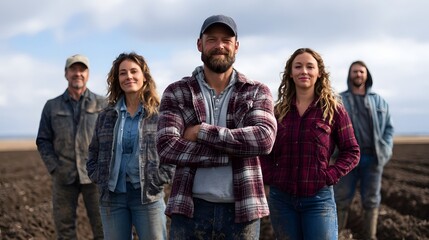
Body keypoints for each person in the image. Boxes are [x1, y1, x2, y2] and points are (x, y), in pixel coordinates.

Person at [156, 15, 277, 239]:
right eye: (211, 39)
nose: (219, 46)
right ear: (199, 44)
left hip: (243, 210)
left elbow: (264, 139)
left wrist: (202, 131)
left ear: (236, 47)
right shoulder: (177, 91)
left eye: (226, 40)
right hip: (190, 209)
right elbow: (167, 146)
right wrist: (230, 153)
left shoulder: (256, 91)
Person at [260, 48, 360, 240]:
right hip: (282, 200)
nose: (303, 71)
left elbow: (352, 151)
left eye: (309, 66)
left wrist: (330, 175)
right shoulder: (276, 111)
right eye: (298, 66)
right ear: (290, 73)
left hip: (318, 200)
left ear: (319, 72)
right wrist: (271, 176)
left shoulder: (334, 111)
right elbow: (263, 150)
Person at [86, 52, 175, 240]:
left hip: (147, 196)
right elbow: (93, 151)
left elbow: (173, 151)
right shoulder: (106, 115)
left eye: (134, 71)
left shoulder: (160, 114)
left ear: (144, 76)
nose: (129, 77)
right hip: (112, 197)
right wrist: (97, 175)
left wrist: (160, 178)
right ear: (117, 79)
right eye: (123, 73)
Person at [36, 54, 105, 239]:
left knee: (103, 229)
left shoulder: (103, 104)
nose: (78, 73)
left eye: (82, 69)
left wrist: (103, 167)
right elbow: (43, 140)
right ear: (66, 74)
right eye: (73, 69)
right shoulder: (51, 106)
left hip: (94, 177)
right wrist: (54, 167)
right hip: (63, 177)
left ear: (88, 74)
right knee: (65, 231)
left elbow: (111, 139)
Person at [334, 60, 394, 239]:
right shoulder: (339, 100)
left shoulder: (379, 101)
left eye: (361, 71)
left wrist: (386, 148)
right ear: (349, 75)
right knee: (341, 199)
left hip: (372, 158)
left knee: (371, 200)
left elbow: (389, 128)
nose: (358, 74)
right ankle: (337, 235)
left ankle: (370, 236)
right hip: (346, 158)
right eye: (355, 71)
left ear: (366, 75)